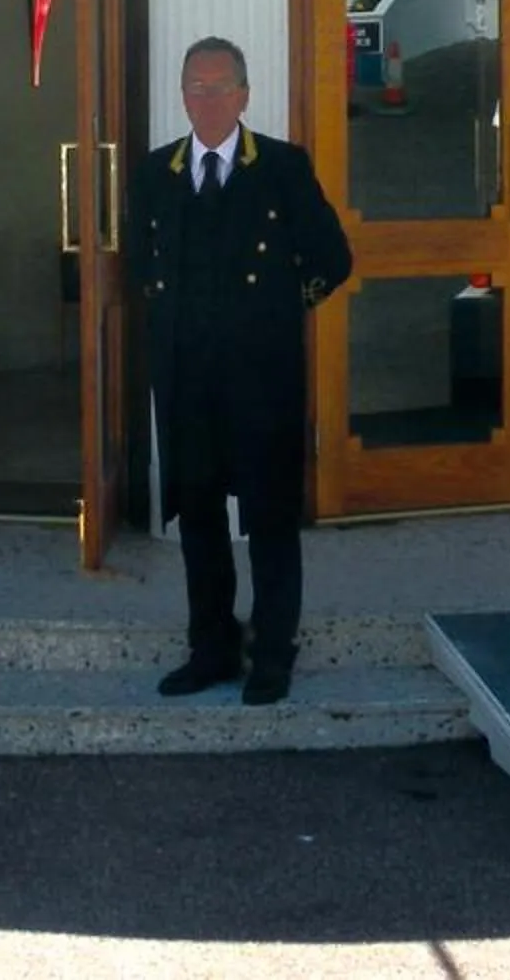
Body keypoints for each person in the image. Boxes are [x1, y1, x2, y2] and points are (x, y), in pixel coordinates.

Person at [130, 35, 352, 705]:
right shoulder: (155, 172)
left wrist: (277, 312)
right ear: (182, 96)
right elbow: (140, 263)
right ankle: (211, 650)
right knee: (199, 520)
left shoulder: (281, 167)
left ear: (244, 95)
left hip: (262, 379)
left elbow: (333, 258)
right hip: (187, 380)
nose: (207, 101)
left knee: (271, 520)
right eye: (195, 88)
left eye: (220, 87)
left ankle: (273, 655)